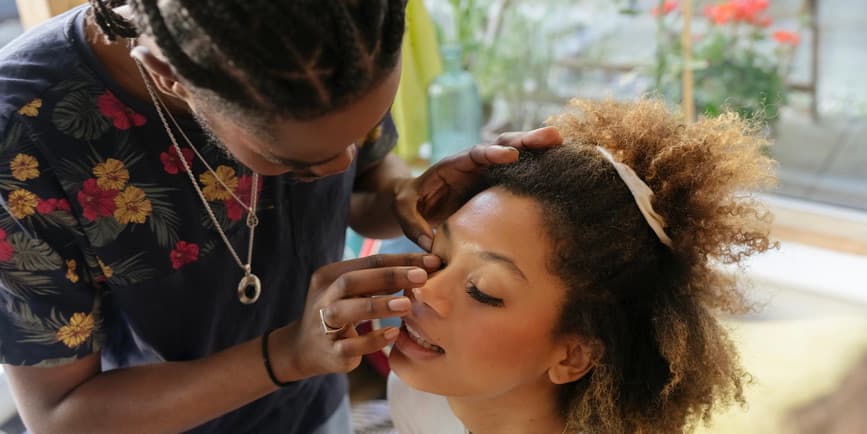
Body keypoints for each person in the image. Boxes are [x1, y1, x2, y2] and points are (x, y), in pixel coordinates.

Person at [0, 1, 562, 433]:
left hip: (318, 406)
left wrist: (398, 196)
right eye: (295, 161)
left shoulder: (337, 39)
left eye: (361, 128)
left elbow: (364, 180)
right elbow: (60, 415)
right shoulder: (23, 143)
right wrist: (287, 355)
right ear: (166, 72)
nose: (343, 161)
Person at [388, 98, 778, 434]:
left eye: (483, 291)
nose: (424, 288)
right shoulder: (420, 398)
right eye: (439, 255)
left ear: (573, 355)